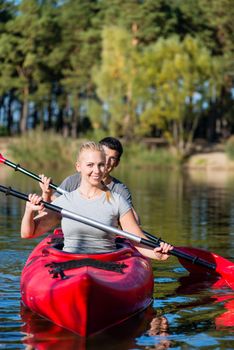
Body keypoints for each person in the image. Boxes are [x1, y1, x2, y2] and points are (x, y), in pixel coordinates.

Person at [21, 141, 173, 260]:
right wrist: (28, 210)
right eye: (90, 165)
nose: (97, 170)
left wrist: (158, 253)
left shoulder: (118, 201)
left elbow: (137, 241)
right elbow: (28, 233)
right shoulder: (65, 201)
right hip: (69, 264)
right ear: (78, 167)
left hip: (106, 265)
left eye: (101, 165)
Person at [40, 137, 139, 221]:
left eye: (112, 158)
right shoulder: (72, 181)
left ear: (117, 163)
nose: (107, 161)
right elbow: (47, 211)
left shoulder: (120, 190)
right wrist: (46, 194)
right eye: (104, 156)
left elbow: (135, 221)